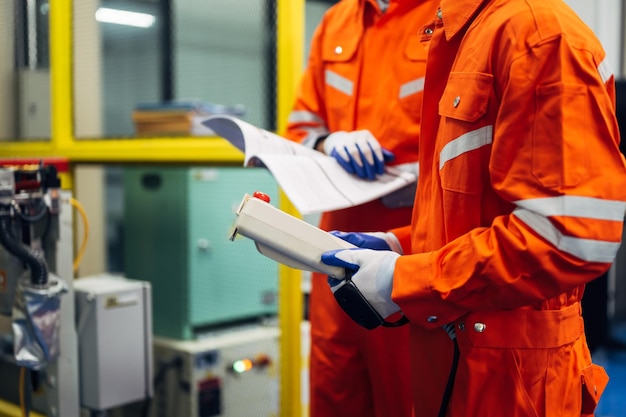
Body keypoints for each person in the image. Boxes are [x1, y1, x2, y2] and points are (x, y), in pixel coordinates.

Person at [320, 0, 626, 416]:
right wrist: (398, 245)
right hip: (465, 359)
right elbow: (475, 210)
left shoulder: (537, 36)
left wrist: (410, 276)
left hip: (514, 378)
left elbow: (571, 235)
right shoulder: (464, 33)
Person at [282, 1, 438, 416]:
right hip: (334, 241)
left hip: (413, 243)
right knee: (335, 383)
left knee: (406, 390)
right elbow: (300, 125)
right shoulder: (338, 20)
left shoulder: (448, 14)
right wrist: (326, 141)